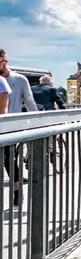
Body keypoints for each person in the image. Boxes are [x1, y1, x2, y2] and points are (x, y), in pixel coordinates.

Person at [0, 48, 36, 206]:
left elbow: (29, 102)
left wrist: (37, 122)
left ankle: (16, 191)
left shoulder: (20, 80)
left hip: (11, 127)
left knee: (9, 160)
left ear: (4, 62)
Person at [0, 48, 38, 113]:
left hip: (13, 120)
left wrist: (37, 120)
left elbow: (30, 103)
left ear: (4, 63)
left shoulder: (20, 80)